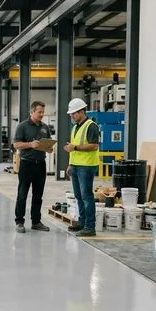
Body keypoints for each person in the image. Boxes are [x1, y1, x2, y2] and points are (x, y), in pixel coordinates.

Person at [12, 101, 53, 233]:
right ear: (32, 112)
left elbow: (49, 145)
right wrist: (30, 145)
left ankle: (36, 222)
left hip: (40, 165)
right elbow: (16, 144)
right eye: (39, 112)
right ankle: (19, 221)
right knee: (22, 194)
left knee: (38, 195)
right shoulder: (23, 126)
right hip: (26, 164)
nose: (42, 114)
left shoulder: (45, 127)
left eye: (43, 112)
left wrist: (49, 148)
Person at [63, 98, 100, 237]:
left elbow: (94, 145)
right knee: (78, 196)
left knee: (86, 196)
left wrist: (76, 147)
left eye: (73, 113)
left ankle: (90, 227)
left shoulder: (91, 126)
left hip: (87, 166)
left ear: (81, 111)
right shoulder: (75, 127)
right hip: (76, 166)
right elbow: (74, 148)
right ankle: (82, 222)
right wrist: (70, 164)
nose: (71, 116)